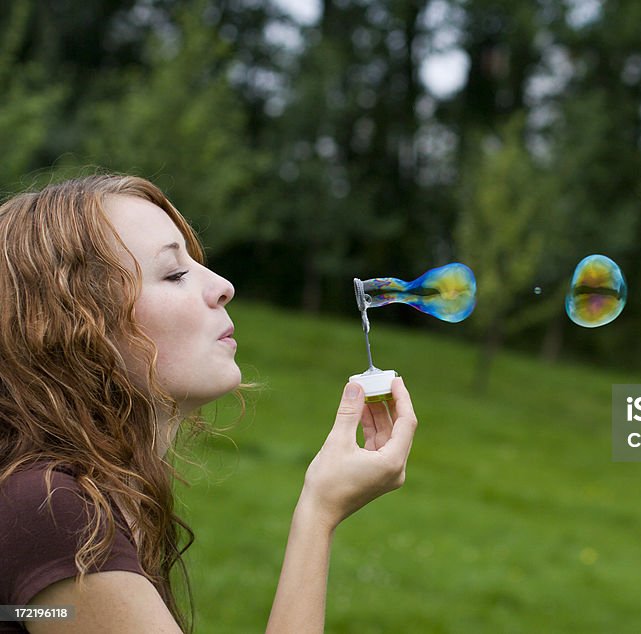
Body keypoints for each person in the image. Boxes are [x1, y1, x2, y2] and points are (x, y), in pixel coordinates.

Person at [0, 175, 418, 633]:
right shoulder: (52, 510)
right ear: (71, 328)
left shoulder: (81, 498)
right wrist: (319, 513)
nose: (223, 285)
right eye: (175, 273)